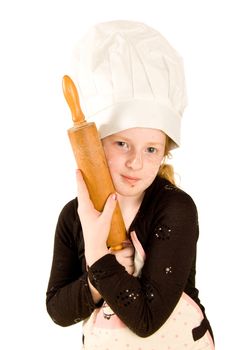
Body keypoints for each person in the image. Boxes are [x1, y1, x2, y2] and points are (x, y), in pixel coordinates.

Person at [46, 20, 215, 349]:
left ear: (165, 153)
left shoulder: (174, 209)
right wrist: (96, 283)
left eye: (151, 149)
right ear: (97, 144)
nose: (136, 162)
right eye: (122, 144)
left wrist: (98, 256)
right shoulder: (73, 216)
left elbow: (147, 320)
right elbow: (57, 309)